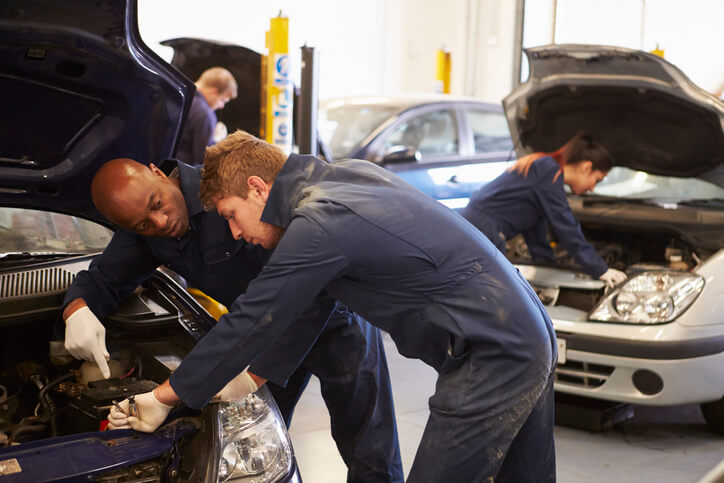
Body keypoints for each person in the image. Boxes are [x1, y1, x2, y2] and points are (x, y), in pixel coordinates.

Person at [109, 130, 558, 482]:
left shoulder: (319, 222)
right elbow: (296, 305)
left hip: (495, 352)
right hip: (523, 330)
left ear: (258, 188)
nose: (234, 232)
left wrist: (165, 395)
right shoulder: (346, 178)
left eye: (230, 214)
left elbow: (255, 317)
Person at [62, 157, 403, 483]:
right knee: (251, 450)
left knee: (368, 449)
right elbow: (104, 278)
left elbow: (312, 288)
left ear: (158, 173)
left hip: (333, 321)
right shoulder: (143, 228)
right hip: (259, 335)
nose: (160, 222)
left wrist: (252, 374)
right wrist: (76, 309)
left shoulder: (225, 190)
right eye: (142, 224)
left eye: (156, 204)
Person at [462, 131, 627, 288]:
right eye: (597, 180)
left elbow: (536, 234)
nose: (592, 188)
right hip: (482, 231)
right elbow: (565, 225)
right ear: (585, 167)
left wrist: (549, 267)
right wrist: (600, 269)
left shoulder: (544, 172)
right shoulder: (548, 170)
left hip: (477, 229)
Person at [177, 67, 237, 166]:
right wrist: (217, 140)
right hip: (174, 174)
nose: (222, 106)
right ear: (213, 91)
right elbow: (204, 158)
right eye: (223, 100)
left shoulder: (178, 96)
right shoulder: (204, 113)